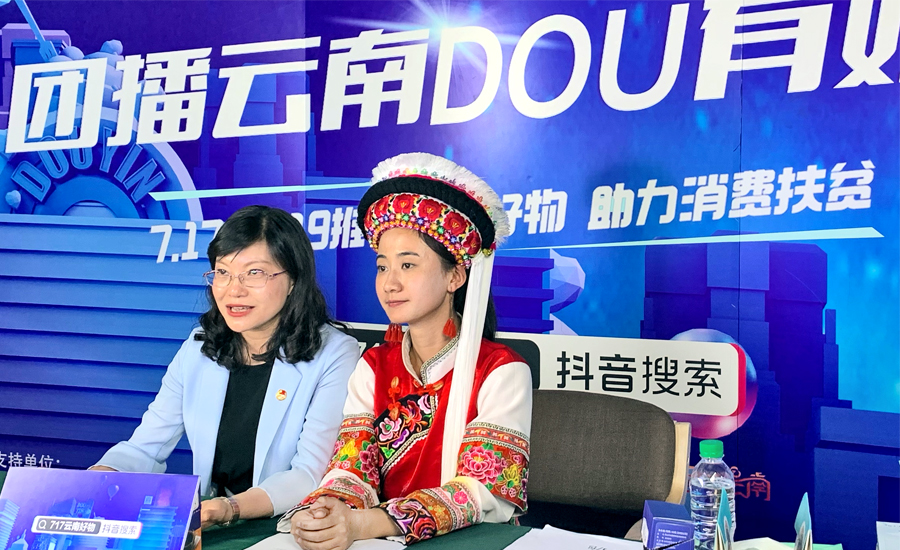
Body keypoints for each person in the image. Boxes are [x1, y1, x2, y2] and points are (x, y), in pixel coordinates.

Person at [282, 153, 532, 549]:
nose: (390, 283)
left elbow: (484, 492)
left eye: (408, 265)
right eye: (383, 267)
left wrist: (366, 523)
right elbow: (352, 466)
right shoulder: (374, 366)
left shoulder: (501, 371)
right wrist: (327, 510)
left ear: (455, 275)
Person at [92, 205, 359, 528]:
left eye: (254, 273)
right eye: (223, 272)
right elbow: (145, 448)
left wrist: (230, 508)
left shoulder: (334, 354)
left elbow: (308, 474)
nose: (234, 289)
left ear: (293, 280)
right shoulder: (199, 348)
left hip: (285, 525)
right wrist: (99, 478)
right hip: (212, 521)